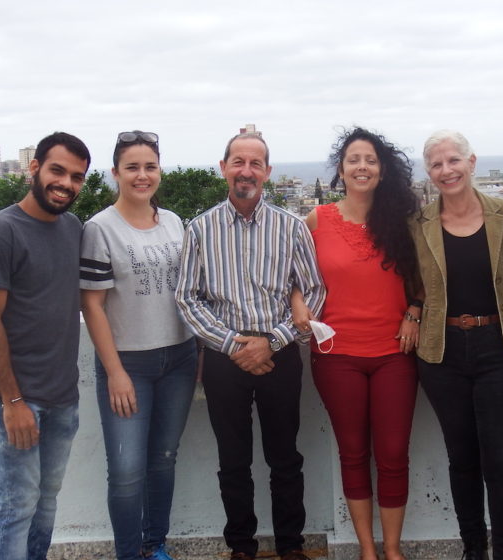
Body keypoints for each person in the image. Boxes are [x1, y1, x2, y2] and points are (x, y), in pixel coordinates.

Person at [175, 131, 325, 560]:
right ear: (223, 167)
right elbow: (187, 296)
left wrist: (273, 341)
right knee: (234, 462)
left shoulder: (291, 227)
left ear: (267, 172)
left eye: (255, 163)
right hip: (224, 359)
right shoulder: (200, 229)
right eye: (238, 162)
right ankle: (241, 547)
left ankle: (291, 546)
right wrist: (233, 345)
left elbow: (313, 292)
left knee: (285, 458)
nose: (246, 171)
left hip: (280, 355)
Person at [291, 127, 420, 560]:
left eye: (370, 160)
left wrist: (413, 313)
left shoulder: (404, 222)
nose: (361, 166)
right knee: (352, 452)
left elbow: (427, 281)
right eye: (353, 160)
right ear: (341, 170)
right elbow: (295, 277)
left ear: (383, 171)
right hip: (336, 355)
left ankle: (393, 549)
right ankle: (367, 549)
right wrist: (297, 305)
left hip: (393, 355)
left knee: (392, 454)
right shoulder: (317, 220)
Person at [0, 131, 91, 560]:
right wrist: (13, 400)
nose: (66, 183)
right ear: (34, 168)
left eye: (77, 177)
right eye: (57, 170)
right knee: (17, 504)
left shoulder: (72, 228)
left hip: (61, 394)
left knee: (47, 499)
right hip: (14, 398)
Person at [80, 131, 196, 560]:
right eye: (132, 167)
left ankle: (156, 545)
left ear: (159, 171)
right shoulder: (99, 229)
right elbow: (92, 305)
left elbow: (187, 293)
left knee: (163, 458)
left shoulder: (173, 223)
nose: (142, 175)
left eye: (150, 166)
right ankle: (129, 554)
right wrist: (115, 373)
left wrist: (198, 349)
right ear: (115, 173)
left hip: (180, 357)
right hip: (128, 362)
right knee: (127, 471)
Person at [410, 130, 503, 560]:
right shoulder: (418, 224)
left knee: (501, 460)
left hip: (500, 347)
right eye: (437, 165)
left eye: (453, 161)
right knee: (462, 459)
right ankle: (474, 549)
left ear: (472, 162)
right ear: (429, 172)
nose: (446, 171)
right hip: (441, 353)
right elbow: (412, 285)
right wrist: (411, 312)